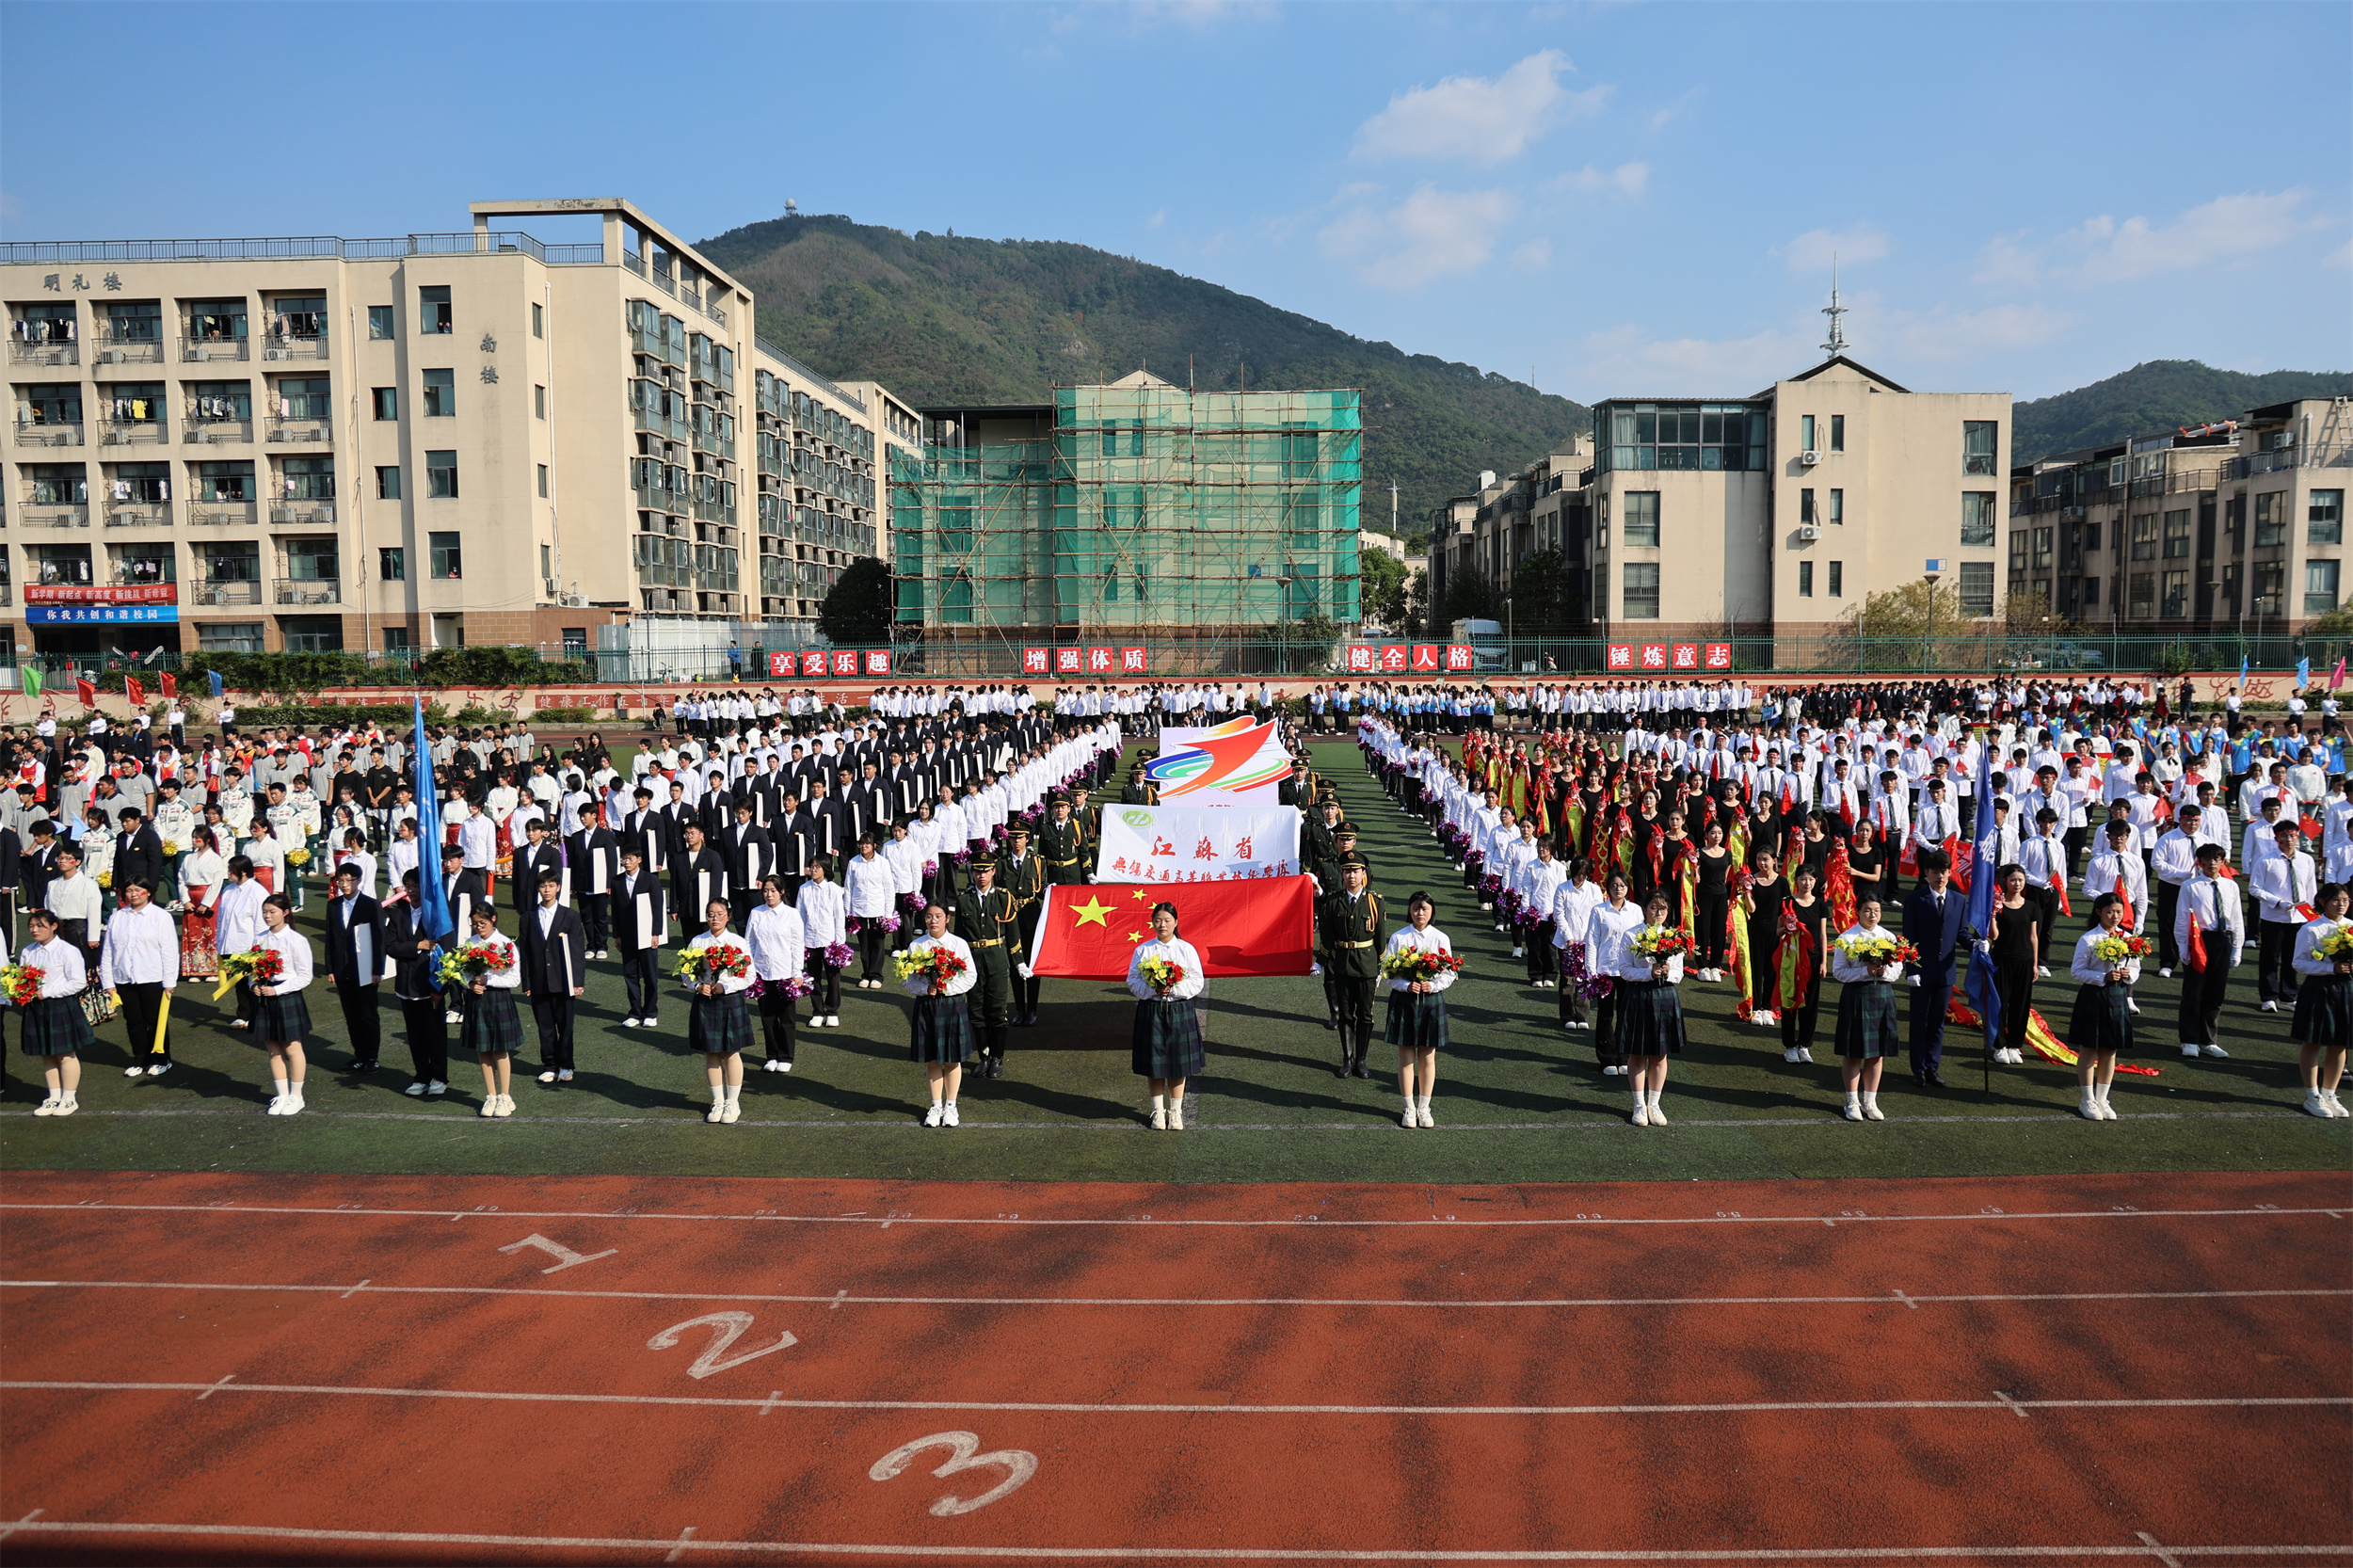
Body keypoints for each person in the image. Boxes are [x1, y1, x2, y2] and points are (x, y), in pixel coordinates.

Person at [1379, 890, 1456, 1129]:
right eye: (1415, 908)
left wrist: (1432, 985)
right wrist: (1405, 985)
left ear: (1432, 912)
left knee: (1428, 1055)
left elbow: (1449, 973)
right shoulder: (1398, 937)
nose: (1419, 913)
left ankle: (1424, 1107)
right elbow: (1387, 973)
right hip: (1404, 1001)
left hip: (1431, 1000)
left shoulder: (1441, 938)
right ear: (1409, 910)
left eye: (1424, 909)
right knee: (1405, 1056)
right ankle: (1409, 1108)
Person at [1128, 900, 1207, 1130]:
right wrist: (1154, 989)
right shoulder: (1143, 950)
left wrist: (1172, 989)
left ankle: (1176, 1112)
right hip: (1151, 1010)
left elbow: (1197, 981)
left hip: (1179, 1009)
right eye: (1158, 920)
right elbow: (1133, 981)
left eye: (1167, 920)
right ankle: (1158, 1112)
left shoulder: (1186, 949)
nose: (1162, 925)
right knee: (1154, 1064)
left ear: (1176, 923)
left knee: (1178, 1064)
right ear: (1152, 923)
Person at [1610, 891, 1686, 1125]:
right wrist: (1649, 973)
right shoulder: (1632, 935)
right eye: (1653, 908)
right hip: (1639, 995)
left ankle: (1654, 1104)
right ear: (1645, 909)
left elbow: (1679, 973)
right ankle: (1639, 1106)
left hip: (1665, 996)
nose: (1658, 913)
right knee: (1637, 1053)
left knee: (1660, 1055)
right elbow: (1624, 970)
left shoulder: (1673, 937)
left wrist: (1667, 973)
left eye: (1663, 909)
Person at [904, 901, 978, 1127]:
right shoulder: (916, 946)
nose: (933, 920)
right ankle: (936, 1106)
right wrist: (925, 988)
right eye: (928, 916)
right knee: (933, 1058)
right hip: (927, 1006)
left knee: (953, 1059)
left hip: (953, 1005)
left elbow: (970, 976)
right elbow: (908, 979)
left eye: (938, 916)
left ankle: (951, 1107)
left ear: (947, 919)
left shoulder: (958, 944)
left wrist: (947, 988)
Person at [1831, 894, 1905, 1122]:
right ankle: (1852, 1101)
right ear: (1857, 912)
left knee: (1877, 1052)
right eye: (1867, 910)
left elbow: (1897, 970)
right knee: (1853, 1053)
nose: (1872, 915)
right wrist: (1865, 971)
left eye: (1877, 911)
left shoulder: (1888, 937)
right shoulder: (1847, 938)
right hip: (1856, 996)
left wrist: (1884, 972)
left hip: (1882, 995)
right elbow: (1839, 972)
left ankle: (1870, 1101)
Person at [2067, 892, 2139, 1121]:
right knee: (2089, 1048)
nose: (2115, 916)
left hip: (2117, 995)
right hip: (2094, 996)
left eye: (2119, 912)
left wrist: (2128, 975)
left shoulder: (2128, 938)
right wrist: (2103, 977)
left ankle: (2102, 1099)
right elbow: (2077, 971)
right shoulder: (2089, 939)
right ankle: (2087, 1099)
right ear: (2099, 912)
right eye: (2110, 912)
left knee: (2110, 1049)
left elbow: (2136, 968)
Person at [683, 899, 756, 1124]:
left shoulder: (737, 942)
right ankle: (717, 1101)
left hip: (730, 1001)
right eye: (710, 914)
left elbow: (749, 976)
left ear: (728, 916)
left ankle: (732, 1103)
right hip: (705, 1002)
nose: (714, 918)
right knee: (711, 1052)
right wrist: (698, 986)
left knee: (731, 1052)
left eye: (719, 914)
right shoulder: (697, 941)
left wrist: (725, 986)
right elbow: (686, 973)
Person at [98, 877, 178, 1078]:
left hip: (152, 977)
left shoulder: (160, 917)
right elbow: (108, 951)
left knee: (155, 1020)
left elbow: (169, 951)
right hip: (124, 977)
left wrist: (169, 981)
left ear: (148, 892)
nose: (133, 894)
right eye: (129, 891)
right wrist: (108, 982)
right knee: (133, 1021)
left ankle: (161, 1059)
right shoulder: (118, 917)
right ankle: (140, 1059)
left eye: (138, 890)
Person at [1900, 849, 1967, 1088]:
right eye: (1935, 872)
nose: (1940, 876)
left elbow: (1961, 933)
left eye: (1944, 871)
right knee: (1919, 1021)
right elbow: (1908, 938)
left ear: (1950, 872)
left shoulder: (1959, 900)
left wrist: (1976, 945)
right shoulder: (1915, 899)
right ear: (1927, 872)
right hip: (1921, 971)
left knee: (1938, 1023)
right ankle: (1918, 1068)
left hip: (1945, 972)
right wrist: (1911, 969)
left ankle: (1932, 1067)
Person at [952, 856, 1022, 1077]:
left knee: (997, 1011)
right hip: (972, 963)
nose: (981, 876)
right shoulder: (964, 900)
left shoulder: (1004, 898)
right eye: (977, 871)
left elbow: (1013, 933)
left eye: (986, 871)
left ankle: (997, 1058)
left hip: (997, 961)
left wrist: (1018, 961)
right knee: (976, 1011)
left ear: (993, 872)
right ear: (972, 873)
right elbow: (959, 937)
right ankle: (984, 1057)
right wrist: (956, 966)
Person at [1314, 856, 1384, 1079]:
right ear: (1342, 874)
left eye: (1356, 871)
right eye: (1347, 871)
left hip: (1367, 965)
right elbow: (1327, 936)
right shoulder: (1334, 900)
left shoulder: (1375, 901)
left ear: (1364, 874)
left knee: (1365, 1014)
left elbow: (1380, 936)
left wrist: (1381, 966)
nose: (1351, 876)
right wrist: (1321, 961)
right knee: (1345, 1014)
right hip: (1342, 963)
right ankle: (1347, 1059)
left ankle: (1361, 1061)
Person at [2173, 841, 2244, 1060]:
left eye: (2217, 859)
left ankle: (2208, 1040)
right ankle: (2189, 1039)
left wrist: (2237, 948)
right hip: (2199, 941)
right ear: (2200, 862)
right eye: (2207, 859)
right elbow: (2182, 917)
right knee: (2194, 991)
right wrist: (2183, 947)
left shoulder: (2231, 886)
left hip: (2223, 939)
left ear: (2223, 862)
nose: (2212, 863)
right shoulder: (2190, 886)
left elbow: (2237, 918)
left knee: (2216, 993)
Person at [519, 870, 587, 1087]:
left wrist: (577, 982)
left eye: (550, 885)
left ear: (558, 888)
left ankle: (566, 1066)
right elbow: (525, 953)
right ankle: (549, 1066)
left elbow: (577, 951)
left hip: (564, 981)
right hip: (539, 982)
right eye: (543, 886)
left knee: (565, 1027)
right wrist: (527, 982)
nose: (546, 890)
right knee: (545, 1027)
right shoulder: (527, 918)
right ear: (538, 889)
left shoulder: (570, 916)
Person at [21, 908, 92, 1116]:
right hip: (36, 1008)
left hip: (60, 1006)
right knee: (47, 1054)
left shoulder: (67, 951)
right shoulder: (28, 951)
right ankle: (53, 1097)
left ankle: (69, 1099)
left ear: (53, 926)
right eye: (31, 926)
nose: (34, 930)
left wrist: (46, 992)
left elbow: (78, 982)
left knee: (66, 1054)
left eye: (40, 926)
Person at [2290, 882, 2353, 1117]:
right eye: (2336, 900)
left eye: (2345, 900)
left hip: (2346, 988)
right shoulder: (2311, 929)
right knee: (2313, 1041)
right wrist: (2331, 968)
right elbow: (2299, 963)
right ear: (2323, 902)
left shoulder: (2351, 926)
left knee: (2340, 1043)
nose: (2341, 904)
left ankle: (2330, 1093)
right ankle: (2312, 1095)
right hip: (2319, 988)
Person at [248, 892, 313, 1115]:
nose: (267, 916)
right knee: (273, 1049)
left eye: (272, 912)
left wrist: (277, 990)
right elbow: (253, 969)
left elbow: (305, 976)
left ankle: (297, 1096)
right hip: (265, 997)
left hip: (286, 996)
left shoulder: (296, 940)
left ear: (285, 913)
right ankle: (282, 1095)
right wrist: (254, 985)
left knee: (292, 1048)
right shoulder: (259, 939)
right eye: (264, 912)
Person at [385, 870, 447, 1098]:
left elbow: (445, 952)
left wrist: (440, 988)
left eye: (414, 885)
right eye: (407, 886)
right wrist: (417, 945)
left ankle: (439, 1077)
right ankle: (421, 1076)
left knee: (435, 1036)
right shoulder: (397, 914)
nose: (410, 890)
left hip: (430, 986)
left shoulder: (435, 914)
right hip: (406, 986)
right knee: (415, 1037)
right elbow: (390, 947)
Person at [457, 904, 521, 1118]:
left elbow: (515, 978)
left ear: (493, 919)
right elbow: (463, 972)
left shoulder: (505, 944)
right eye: (475, 923)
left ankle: (505, 1096)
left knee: (500, 1049)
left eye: (482, 923)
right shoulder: (470, 943)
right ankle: (491, 1096)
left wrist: (489, 980)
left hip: (498, 999)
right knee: (482, 1050)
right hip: (477, 1000)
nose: (478, 927)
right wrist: (470, 984)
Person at [322, 862, 385, 1074]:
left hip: (365, 968)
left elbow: (379, 939)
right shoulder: (333, 905)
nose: (344, 884)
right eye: (340, 880)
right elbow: (330, 938)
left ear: (359, 881)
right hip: (342, 969)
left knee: (368, 1014)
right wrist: (330, 968)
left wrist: (377, 970)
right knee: (351, 1016)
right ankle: (359, 1055)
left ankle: (372, 1057)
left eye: (349, 880)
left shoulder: (371, 905)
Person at [2252, 819, 2318, 1014]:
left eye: (2292, 836)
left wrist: (2312, 913)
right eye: (2284, 836)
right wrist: (2277, 901)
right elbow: (2255, 888)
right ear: (2276, 839)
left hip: (2299, 918)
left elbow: (2311, 889)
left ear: (2298, 837)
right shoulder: (2266, 861)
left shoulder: (2307, 860)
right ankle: (2268, 997)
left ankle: (2288, 996)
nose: (2289, 840)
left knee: (2293, 957)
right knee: (2270, 958)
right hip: (2274, 917)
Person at [1583, 871, 1643, 1078]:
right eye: (1614, 885)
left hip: (1628, 971)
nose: (1618, 889)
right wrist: (1591, 971)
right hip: (1605, 970)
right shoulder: (1599, 911)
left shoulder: (1635, 910)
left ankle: (1625, 1058)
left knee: (1626, 1015)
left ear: (1628, 888)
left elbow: (1641, 940)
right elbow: (1592, 941)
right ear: (1608, 887)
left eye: (1622, 885)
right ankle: (1607, 1058)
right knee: (1605, 1015)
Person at [1981, 864, 2040, 1066]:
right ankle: (2000, 1046)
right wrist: (1993, 914)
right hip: (2002, 961)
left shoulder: (2031, 906)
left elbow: (2033, 937)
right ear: (2005, 881)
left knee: (2020, 1005)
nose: (2017, 883)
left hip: (2024, 962)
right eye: (2013, 879)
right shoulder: (1998, 905)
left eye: (2020, 880)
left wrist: (2035, 964)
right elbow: (1994, 936)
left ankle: (2015, 1045)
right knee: (2000, 1003)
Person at [746, 876, 806, 1073]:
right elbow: (749, 943)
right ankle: (771, 1056)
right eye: (765, 891)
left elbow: (797, 945)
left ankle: (786, 1057)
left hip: (785, 974)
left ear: (781, 892)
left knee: (787, 1018)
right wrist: (750, 971)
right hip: (762, 974)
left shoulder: (791, 914)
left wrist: (797, 972)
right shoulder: (756, 913)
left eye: (772, 891)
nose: (768, 895)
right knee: (768, 1018)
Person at [1775, 862, 1832, 1064]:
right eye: (1803, 879)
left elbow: (1822, 935)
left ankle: (1804, 1045)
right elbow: (1778, 931)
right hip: (1792, 960)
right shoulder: (1787, 902)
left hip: (1813, 960)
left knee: (1811, 1004)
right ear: (1796, 880)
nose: (1807, 883)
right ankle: (1790, 1046)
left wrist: (1824, 962)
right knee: (1790, 1002)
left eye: (1811, 879)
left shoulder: (1820, 904)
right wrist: (1787, 928)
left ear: (1816, 881)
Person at [612, 846, 667, 1028]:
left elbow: (658, 908)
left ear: (639, 859)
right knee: (630, 976)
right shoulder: (616, 881)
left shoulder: (650, 880)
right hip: (627, 937)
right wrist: (617, 935)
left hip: (647, 936)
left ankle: (650, 1012)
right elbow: (615, 910)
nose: (626, 862)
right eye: (624, 859)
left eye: (630, 858)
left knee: (650, 976)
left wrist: (656, 933)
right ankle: (635, 1013)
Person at [796, 855, 848, 1029]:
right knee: (813, 978)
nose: (813, 869)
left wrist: (839, 944)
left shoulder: (833, 889)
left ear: (825, 869)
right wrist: (799, 941)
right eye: (812, 866)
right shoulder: (804, 889)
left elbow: (839, 917)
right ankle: (818, 1011)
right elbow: (800, 917)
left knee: (833, 978)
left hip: (829, 941)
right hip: (810, 941)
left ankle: (832, 1011)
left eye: (817, 867)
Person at [1739, 849, 1787, 1027]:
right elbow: (1751, 909)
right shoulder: (1751, 879)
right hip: (1755, 929)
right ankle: (1756, 1008)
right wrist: (1746, 891)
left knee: (1771, 970)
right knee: (1756, 969)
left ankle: (1767, 1007)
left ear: (1774, 860)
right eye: (1759, 859)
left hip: (1775, 930)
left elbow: (1785, 909)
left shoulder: (1782, 881)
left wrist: (1783, 932)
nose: (1762, 863)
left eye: (1765, 859)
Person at [844, 834, 897, 990]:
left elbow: (889, 888)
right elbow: (848, 888)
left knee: (877, 944)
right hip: (859, 910)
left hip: (877, 910)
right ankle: (866, 975)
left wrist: (888, 914)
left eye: (867, 844)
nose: (863, 846)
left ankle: (876, 975)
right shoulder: (853, 862)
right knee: (864, 946)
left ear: (874, 846)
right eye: (861, 844)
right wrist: (848, 912)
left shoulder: (882, 863)